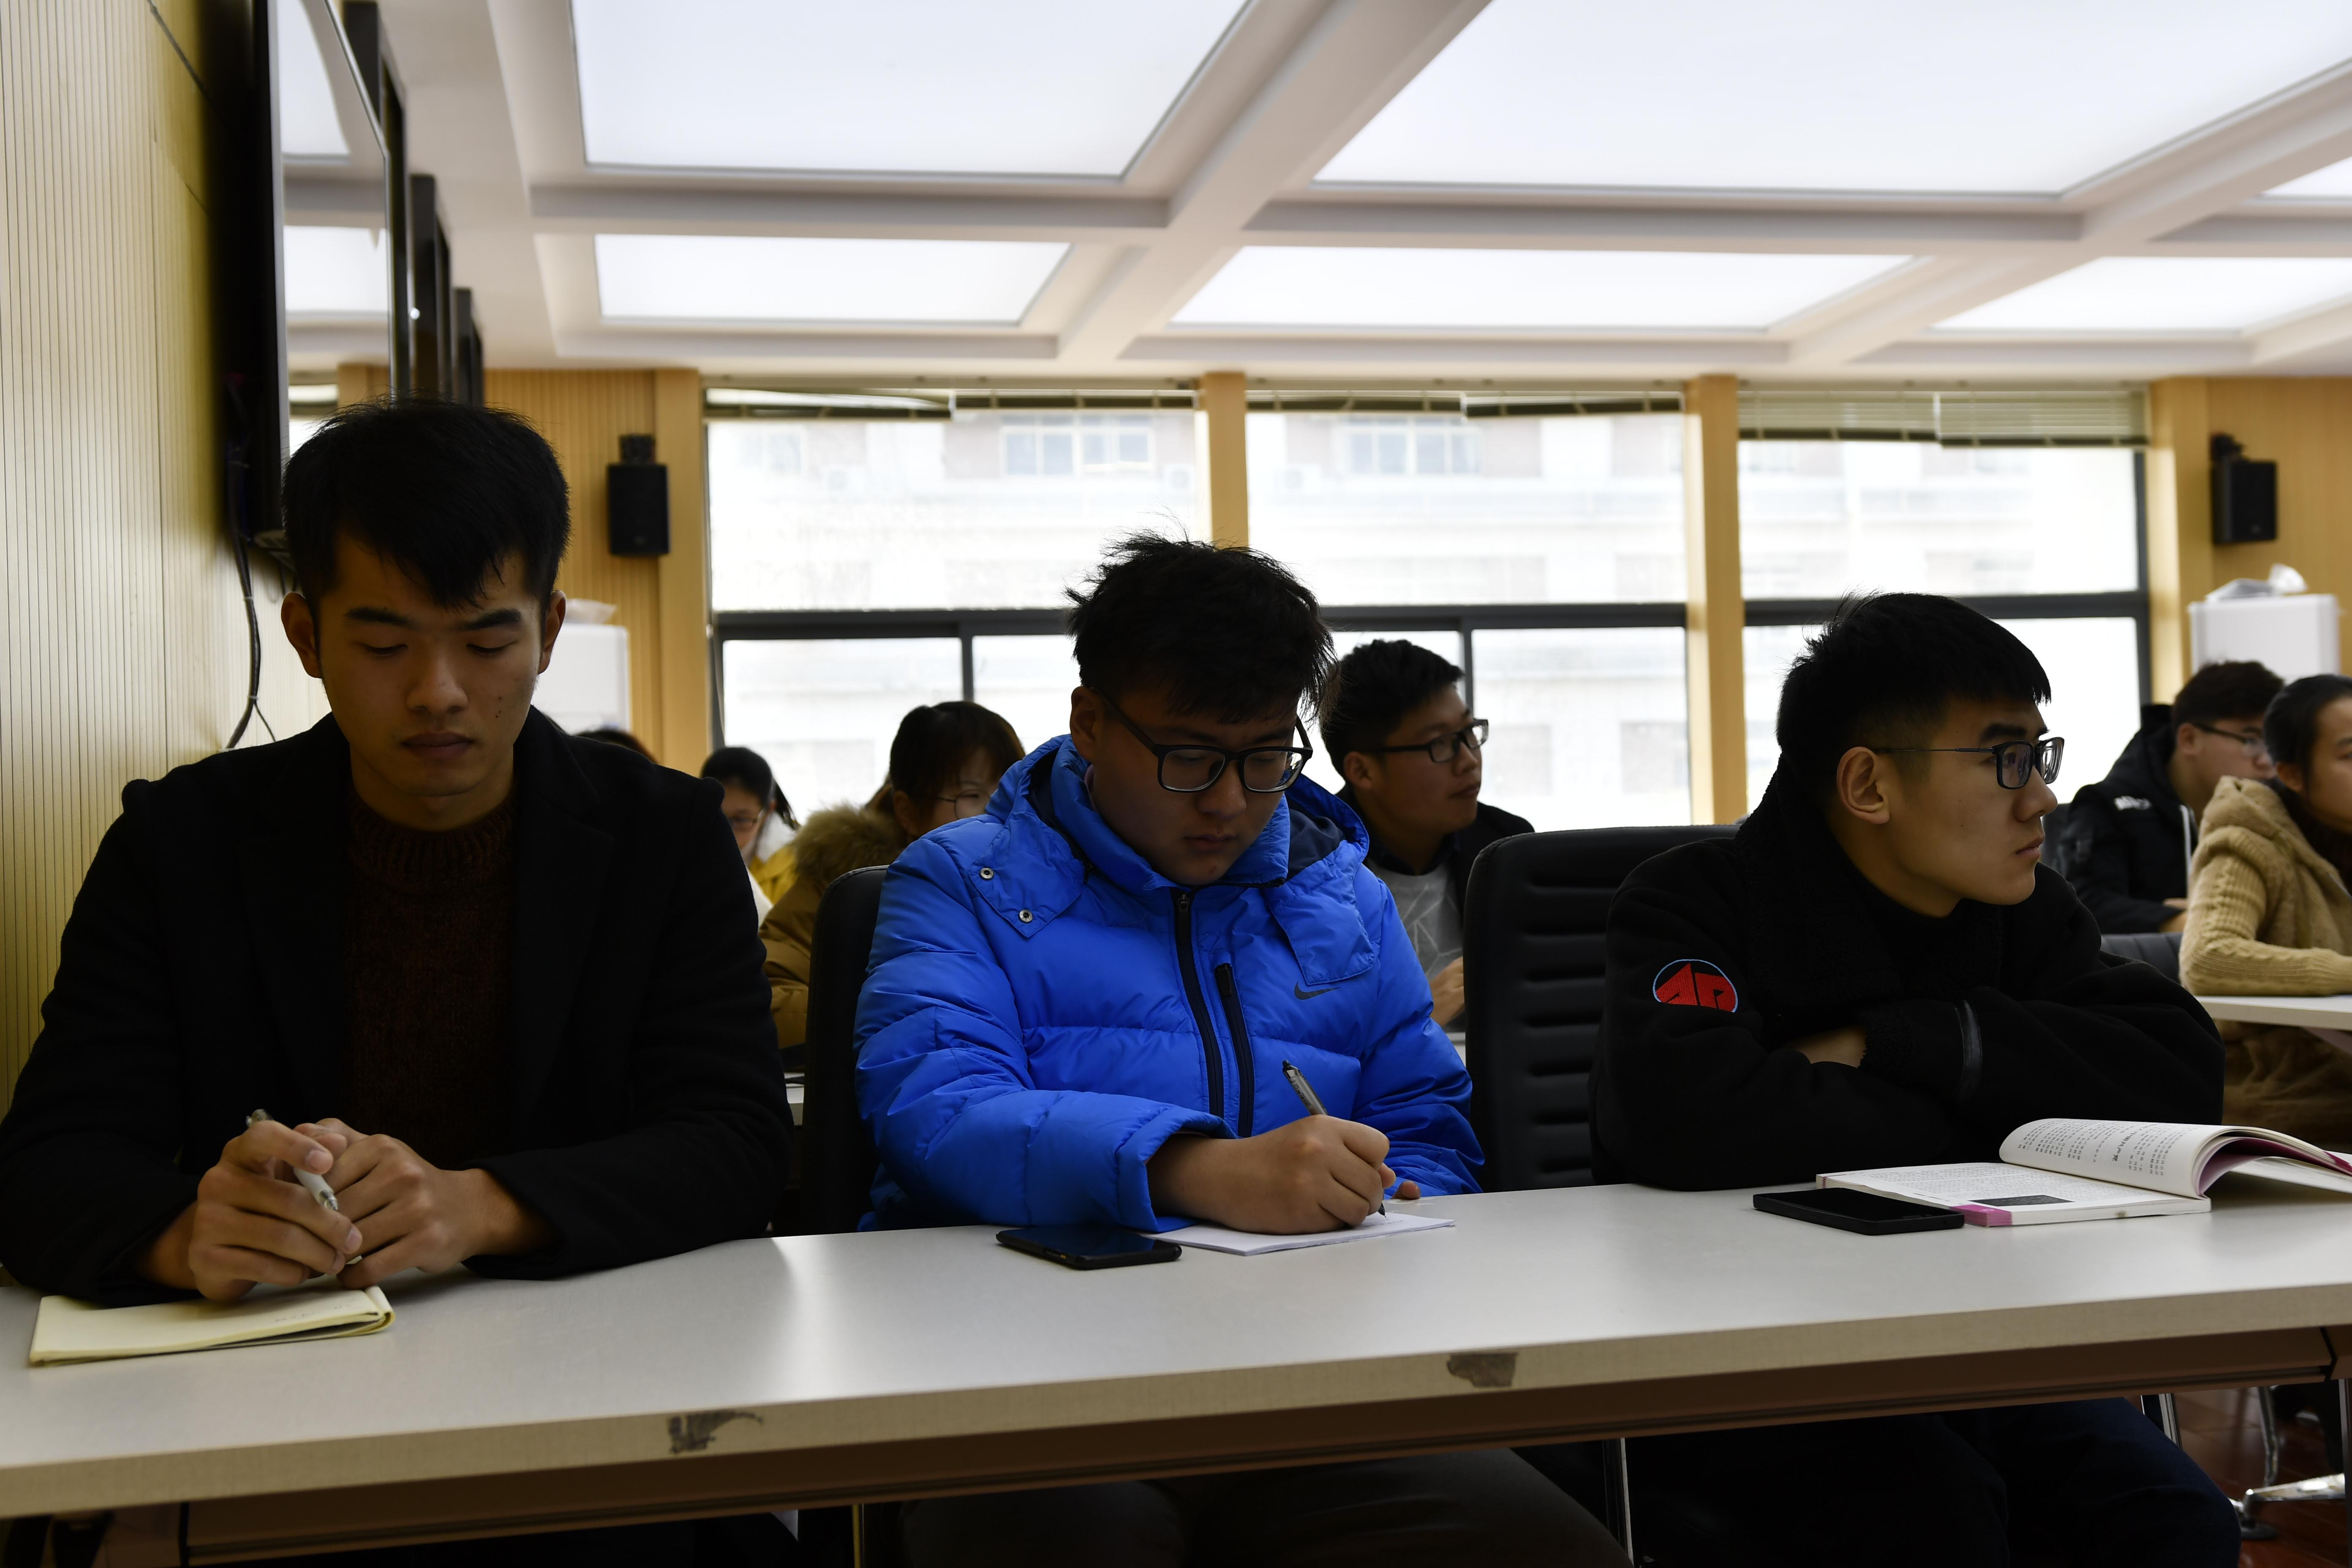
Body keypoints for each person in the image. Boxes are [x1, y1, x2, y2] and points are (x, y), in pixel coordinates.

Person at [0, 400, 795, 1566]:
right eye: (384, 646)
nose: (438, 691)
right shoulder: (181, 844)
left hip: (598, 1427)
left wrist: (479, 1205)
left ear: (549, 630)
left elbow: (738, 1140)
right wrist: (187, 1235)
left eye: (486, 641)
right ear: (307, 634)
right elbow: (45, 1163)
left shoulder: (664, 837)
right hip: (274, 1440)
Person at [854, 536, 1625, 1568]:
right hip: (1029, 1379)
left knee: (1546, 1546)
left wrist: (1390, 1191)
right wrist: (1195, 1168)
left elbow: (1427, 1123)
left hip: (1310, 1380)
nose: (1227, 800)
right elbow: (938, 1110)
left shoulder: (1339, 897)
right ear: (1090, 722)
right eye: (1189, 757)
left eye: (1265, 757)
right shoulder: (963, 881)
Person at [1589, 593, 2234, 1568]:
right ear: (1867, 783)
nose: (2041, 798)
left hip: (1978, 1340)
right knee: (1933, 1517)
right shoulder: (1694, 900)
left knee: (2171, 1517)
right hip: (1748, 1350)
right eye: (2005, 759)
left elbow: (2179, 1073)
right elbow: (1689, 1121)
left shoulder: (2019, 907)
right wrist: (2005, 1112)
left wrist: (1897, 1041)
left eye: (2040, 756)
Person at [757, 702, 1023, 1054]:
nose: (997, 814)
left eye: (1010, 793)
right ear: (908, 812)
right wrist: (898, 1009)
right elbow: (767, 1000)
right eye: (971, 796)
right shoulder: (845, 882)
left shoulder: (1039, 882)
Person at [2180, 672, 2352, 1143]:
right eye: (2349, 755)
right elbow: (2208, 958)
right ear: (2293, 774)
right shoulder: (2249, 839)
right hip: (2288, 1095)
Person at [1321, 639, 1530, 1027]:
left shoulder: (1508, 845)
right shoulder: (1306, 870)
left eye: (1469, 733)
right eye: (1440, 744)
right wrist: (1417, 1019)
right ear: (1363, 771)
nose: (1469, 761)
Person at [2057, 660, 2281, 932]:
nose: (2266, 762)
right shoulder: (2108, 807)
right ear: (2189, 740)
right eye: (2251, 741)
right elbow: (2084, 905)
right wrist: (2188, 921)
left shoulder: (2278, 807)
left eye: (2273, 745)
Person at [702, 744, 800, 911]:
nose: (726, 831)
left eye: (741, 819)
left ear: (768, 812)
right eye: (717, 816)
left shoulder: (794, 870)